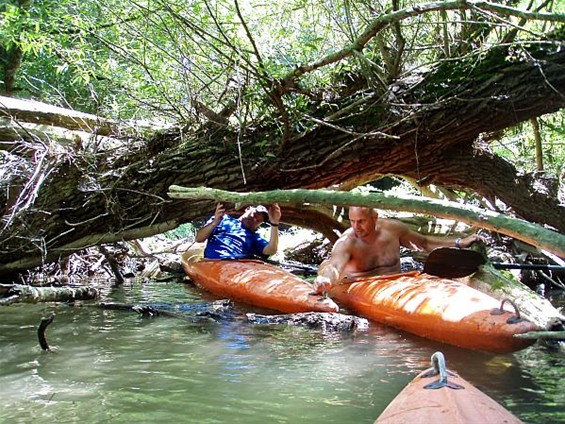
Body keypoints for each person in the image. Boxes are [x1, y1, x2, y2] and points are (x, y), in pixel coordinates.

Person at [313, 206, 481, 294]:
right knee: (326, 266)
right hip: (360, 288)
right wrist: (325, 279)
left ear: (375, 217)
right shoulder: (347, 242)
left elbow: (424, 243)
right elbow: (335, 266)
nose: (356, 227)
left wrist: (459, 242)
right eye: (352, 221)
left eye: (361, 221)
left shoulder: (393, 229)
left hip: (398, 284)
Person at [195, 202, 281, 259]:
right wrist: (215, 222)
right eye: (254, 215)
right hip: (213, 262)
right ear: (248, 209)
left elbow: (271, 250)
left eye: (258, 221)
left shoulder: (254, 238)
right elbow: (199, 239)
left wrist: (275, 223)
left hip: (236, 266)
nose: (254, 220)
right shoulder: (222, 219)